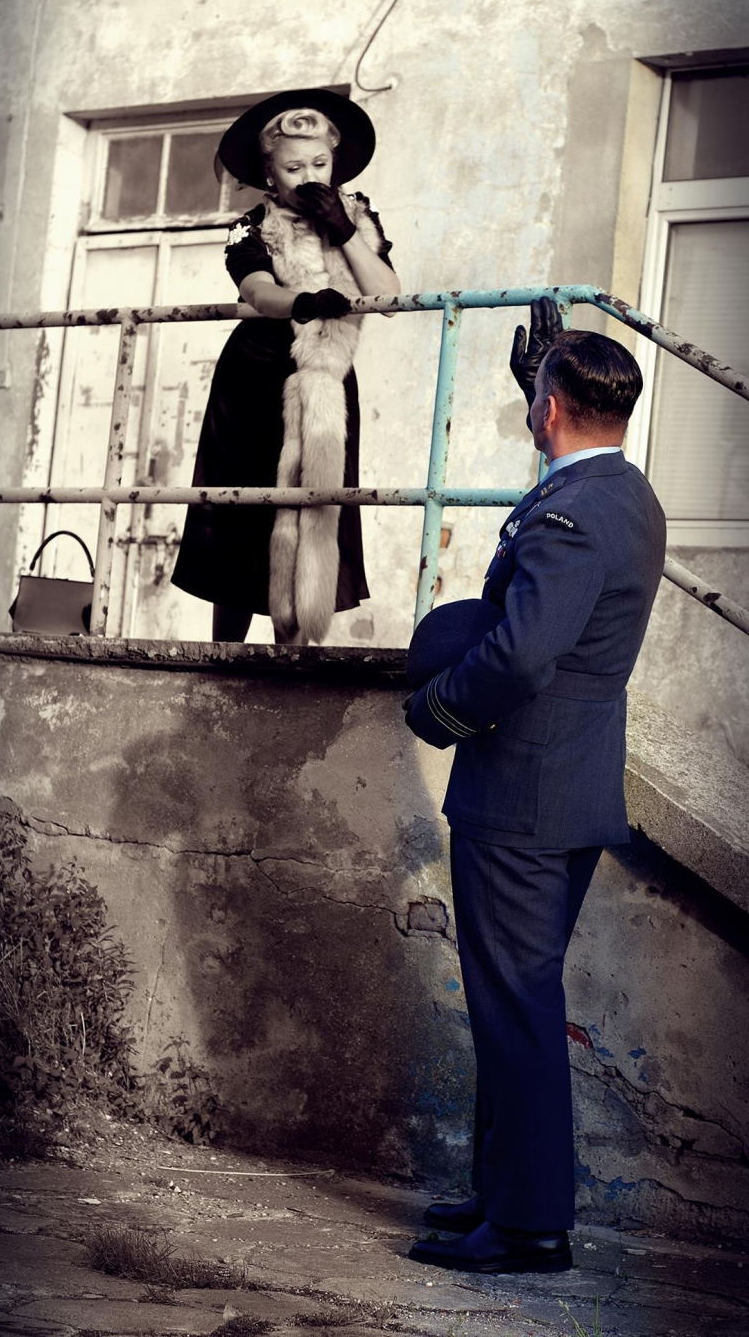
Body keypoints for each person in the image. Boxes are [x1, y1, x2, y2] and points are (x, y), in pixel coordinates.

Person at [404, 300, 666, 1275]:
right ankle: (503, 1193)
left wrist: (439, 710)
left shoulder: (567, 512)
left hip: (521, 790)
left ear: (549, 408)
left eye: (536, 401)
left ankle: (527, 1227)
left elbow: (519, 655)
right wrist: (546, 389)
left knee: (512, 1001)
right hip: (572, 783)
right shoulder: (626, 495)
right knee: (514, 998)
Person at [171, 89, 400, 644]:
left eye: (319, 163)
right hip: (256, 376)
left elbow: (389, 296)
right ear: (269, 174)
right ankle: (224, 655)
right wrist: (302, 300)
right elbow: (256, 290)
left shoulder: (358, 219)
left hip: (327, 376)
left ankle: (291, 655)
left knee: (315, 505)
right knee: (244, 511)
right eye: (293, 168)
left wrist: (343, 231)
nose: (309, 177)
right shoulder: (250, 225)